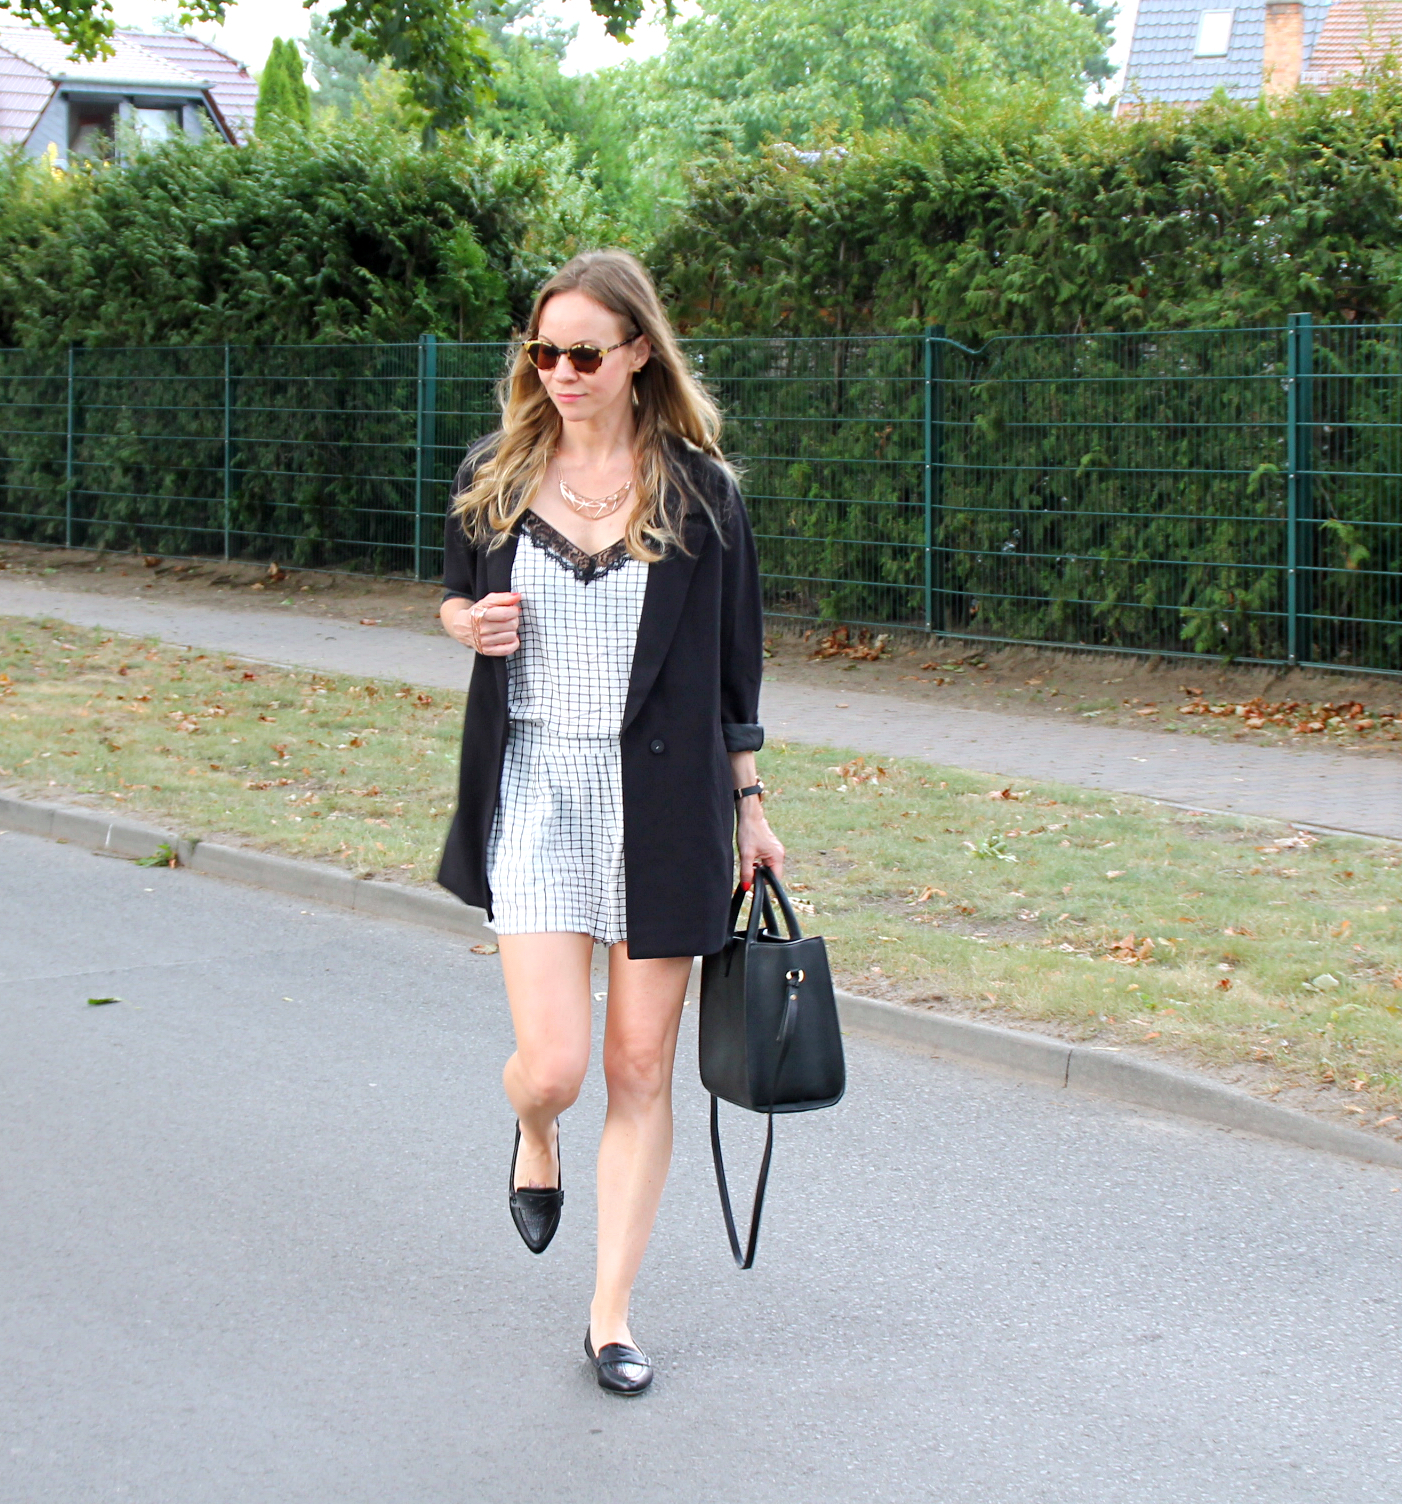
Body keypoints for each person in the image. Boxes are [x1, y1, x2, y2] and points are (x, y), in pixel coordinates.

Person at [437, 249, 784, 1397]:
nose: (562, 372)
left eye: (585, 353)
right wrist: (464, 625)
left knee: (641, 1068)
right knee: (556, 1065)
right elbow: (452, 592)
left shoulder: (703, 496)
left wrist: (751, 811)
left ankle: (611, 1315)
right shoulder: (496, 472)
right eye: (545, 352)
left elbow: (736, 673)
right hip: (536, 789)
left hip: (668, 805)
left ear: (638, 351)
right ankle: (534, 1130)